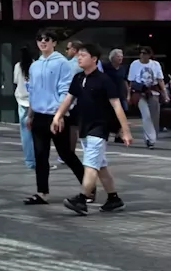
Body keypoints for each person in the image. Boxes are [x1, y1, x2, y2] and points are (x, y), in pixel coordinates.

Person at [50, 43, 132, 216]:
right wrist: (58, 116)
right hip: (84, 127)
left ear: (94, 59)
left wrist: (125, 130)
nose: (79, 58)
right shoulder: (78, 78)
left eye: (83, 55)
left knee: (90, 164)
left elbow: (117, 106)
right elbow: (68, 99)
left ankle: (82, 198)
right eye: (78, 55)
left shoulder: (104, 80)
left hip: (99, 128)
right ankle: (114, 199)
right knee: (100, 165)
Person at [23, 29, 85, 206]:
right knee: (40, 155)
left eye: (47, 39)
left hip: (56, 115)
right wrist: (30, 115)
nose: (43, 42)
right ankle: (42, 192)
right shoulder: (35, 65)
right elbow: (33, 91)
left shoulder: (62, 63)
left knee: (66, 154)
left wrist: (60, 115)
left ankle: (88, 187)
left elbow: (65, 91)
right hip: (39, 115)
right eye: (40, 39)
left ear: (54, 42)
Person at [125, 47, 164, 149]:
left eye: (145, 53)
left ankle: (150, 137)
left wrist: (165, 93)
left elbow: (160, 80)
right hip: (139, 92)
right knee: (146, 115)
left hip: (153, 91)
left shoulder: (155, 64)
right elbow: (131, 82)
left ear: (149, 55)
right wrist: (129, 95)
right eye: (141, 53)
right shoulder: (134, 64)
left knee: (154, 116)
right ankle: (151, 139)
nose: (142, 55)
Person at [12, 53, 35, 169]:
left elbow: (16, 81)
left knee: (25, 133)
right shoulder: (36, 65)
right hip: (35, 102)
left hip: (22, 101)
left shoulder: (18, 66)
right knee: (37, 134)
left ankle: (30, 161)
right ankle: (38, 160)